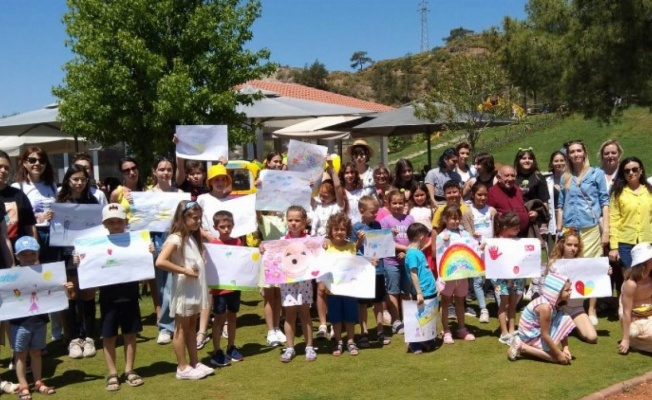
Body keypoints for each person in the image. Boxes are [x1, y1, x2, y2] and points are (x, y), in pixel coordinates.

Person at [76, 205, 149, 391]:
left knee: (130, 335)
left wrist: (149, 251)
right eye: (111, 222)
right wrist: (79, 260)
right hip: (108, 298)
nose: (116, 225)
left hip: (130, 296)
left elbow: (144, 265)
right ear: (104, 224)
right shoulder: (96, 245)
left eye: (119, 221)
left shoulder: (136, 241)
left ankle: (129, 370)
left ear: (125, 222)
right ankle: (112, 373)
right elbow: (87, 263)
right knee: (108, 337)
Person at [155, 201, 213, 380]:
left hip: (194, 287)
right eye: (194, 218)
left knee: (191, 325)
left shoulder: (192, 237)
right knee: (181, 327)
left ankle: (194, 362)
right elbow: (161, 261)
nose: (197, 221)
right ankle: (182, 367)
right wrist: (185, 270)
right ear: (183, 218)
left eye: (199, 218)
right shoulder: (176, 238)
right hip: (183, 287)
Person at [557, 140, 609, 326]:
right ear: (568, 155)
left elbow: (604, 202)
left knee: (592, 266)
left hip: (590, 227)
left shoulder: (597, 174)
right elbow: (560, 206)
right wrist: (559, 229)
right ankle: (570, 304)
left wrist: (606, 230)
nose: (576, 154)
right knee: (570, 267)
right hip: (570, 228)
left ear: (584, 152)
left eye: (579, 150)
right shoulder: (565, 177)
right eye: (572, 151)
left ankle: (591, 308)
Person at [12, 236, 70, 399]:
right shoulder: (12, 276)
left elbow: (55, 289)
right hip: (19, 323)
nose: (29, 257)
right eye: (24, 255)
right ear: (17, 256)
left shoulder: (46, 272)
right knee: (21, 354)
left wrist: (65, 286)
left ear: (37, 253)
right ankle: (23, 386)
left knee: (36, 352)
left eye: (32, 254)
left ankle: (38, 382)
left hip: (40, 321)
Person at [260, 205, 316, 362]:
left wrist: (324, 242)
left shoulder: (310, 241)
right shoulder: (281, 242)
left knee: (305, 313)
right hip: (287, 283)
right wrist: (264, 249)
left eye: (297, 220)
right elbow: (272, 257)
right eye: (290, 220)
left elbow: (319, 254)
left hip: (304, 282)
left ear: (304, 221)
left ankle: (309, 346)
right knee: (290, 315)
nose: (293, 223)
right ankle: (290, 347)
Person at [56, 165, 100, 358]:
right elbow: (56, 231)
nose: (79, 183)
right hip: (67, 256)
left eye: (82, 179)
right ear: (68, 180)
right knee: (72, 294)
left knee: (89, 294)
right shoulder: (60, 202)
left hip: (89, 255)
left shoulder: (93, 201)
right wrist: (49, 217)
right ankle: (74, 338)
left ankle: (89, 336)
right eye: (75, 179)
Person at [507, 273, 576, 364]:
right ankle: (523, 347)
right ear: (557, 291)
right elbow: (545, 334)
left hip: (535, 329)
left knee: (564, 318)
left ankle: (526, 346)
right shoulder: (545, 307)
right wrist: (558, 354)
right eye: (567, 290)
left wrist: (565, 348)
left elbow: (561, 323)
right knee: (558, 359)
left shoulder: (553, 302)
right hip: (530, 334)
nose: (570, 292)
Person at [546, 229, 599, 343]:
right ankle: (565, 323)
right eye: (569, 244)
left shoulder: (583, 263)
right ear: (562, 244)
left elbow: (595, 277)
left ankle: (574, 325)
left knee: (592, 337)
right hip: (558, 308)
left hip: (576, 308)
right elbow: (547, 289)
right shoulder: (553, 263)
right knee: (549, 336)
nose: (572, 248)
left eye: (575, 245)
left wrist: (605, 271)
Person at [351, 196, 389, 347]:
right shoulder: (356, 228)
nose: (375, 215)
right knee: (362, 304)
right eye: (372, 212)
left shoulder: (378, 225)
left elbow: (381, 246)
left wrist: (389, 235)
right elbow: (352, 250)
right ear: (362, 211)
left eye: (376, 212)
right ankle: (364, 332)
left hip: (378, 270)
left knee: (378, 302)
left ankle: (380, 330)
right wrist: (359, 241)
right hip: (362, 271)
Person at [435, 204, 477, 344]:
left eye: (458, 219)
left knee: (460, 301)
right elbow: (438, 254)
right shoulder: (442, 235)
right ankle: (446, 330)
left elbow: (472, 250)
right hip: (448, 276)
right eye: (453, 219)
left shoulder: (465, 234)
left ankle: (461, 328)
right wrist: (442, 242)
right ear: (445, 219)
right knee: (446, 301)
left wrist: (478, 242)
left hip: (462, 275)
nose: (456, 221)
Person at [208, 211, 244, 367]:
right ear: (215, 227)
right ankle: (217, 350)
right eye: (222, 227)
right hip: (219, 289)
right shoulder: (213, 245)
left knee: (233, 316)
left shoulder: (238, 242)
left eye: (229, 226)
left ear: (233, 225)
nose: (226, 229)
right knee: (219, 319)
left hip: (235, 287)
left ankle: (231, 346)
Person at [12, 147, 58, 263]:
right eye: (32, 160)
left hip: (52, 233)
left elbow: (58, 208)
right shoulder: (17, 187)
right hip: (29, 235)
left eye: (42, 161)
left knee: (51, 269)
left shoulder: (52, 185)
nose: (37, 163)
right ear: (24, 163)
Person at [324, 212, 361, 356]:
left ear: (347, 230)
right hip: (333, 289)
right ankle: (338, 341)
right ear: (330, 231)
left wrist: (371, 263)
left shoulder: (352, 246)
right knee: (335, 317)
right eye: (336, 229)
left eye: (342, 229)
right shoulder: (326, 246)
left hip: (349, 288)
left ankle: (351, 341)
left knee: (350, 316)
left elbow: (358, 264)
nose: (339, 232)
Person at [380, 189, 415, 335]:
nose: (397, 206)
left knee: (406, 291)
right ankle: (396, 321)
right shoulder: (385, 221)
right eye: (394, 203)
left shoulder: (410, 219)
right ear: (388, 203)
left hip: (406, 261)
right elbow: (385, 241)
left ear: (405, 204)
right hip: (391, 261)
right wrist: (405, 249)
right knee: (393, 291)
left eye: (400, 203)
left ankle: (407, 319)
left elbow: (414, 237)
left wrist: (407, 252)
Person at [609, 157, 652, 269]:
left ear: (641, 170)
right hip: (625, 243)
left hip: (647, 242)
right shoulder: (617, 194)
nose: (631, 173)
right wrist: (614, 247)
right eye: (627, 171)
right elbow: (614, 221)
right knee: (630, 278)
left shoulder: (649, 191)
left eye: (634, 169)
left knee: (647, 279)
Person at [491, 212, 527, 344]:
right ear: (505, 226)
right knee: (504, 304)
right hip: (501, 278)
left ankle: (512, 330)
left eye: (518, 227)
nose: (518, 229)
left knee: (513, 304)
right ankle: (504, 332)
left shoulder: (519, 241)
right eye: (515, 227)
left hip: (517, 277)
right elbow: (492, 257)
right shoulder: (497, 241)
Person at [404, 223, 437, 354]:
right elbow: (413, 273)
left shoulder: (418, 252)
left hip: (430, 289)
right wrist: (419, 292)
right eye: (427, 238)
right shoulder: (412, 254)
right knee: (418, 316)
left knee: (428, 315)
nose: (428, 240)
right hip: (422, 291)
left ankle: (426, 339)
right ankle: (414, 342)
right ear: (421, 237)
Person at [469, 182, 496, 323]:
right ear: (473, 195)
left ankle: (500, 307)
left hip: (491, 251)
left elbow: (496, 230)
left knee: (495, 280)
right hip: (476, 251)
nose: (482, 197)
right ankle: (483, 309)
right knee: (478, 281)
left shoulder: (491, 210)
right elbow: (467, 232)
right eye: (479, 194)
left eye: (485, 195)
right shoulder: (468, 211)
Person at [619, 242, 652, 354]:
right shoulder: (631, 284)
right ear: (644, 262)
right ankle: (634, 341)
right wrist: (626, 339)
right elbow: (626, 312)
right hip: (635, 317)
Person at [487, 166, 530, 237]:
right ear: (498, 178)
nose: (510, 179)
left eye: (513, 176)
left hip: (522, 235)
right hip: (504, 237)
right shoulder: (492, 192)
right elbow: (488, 215)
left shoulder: (517, 190)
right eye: (507, 176)